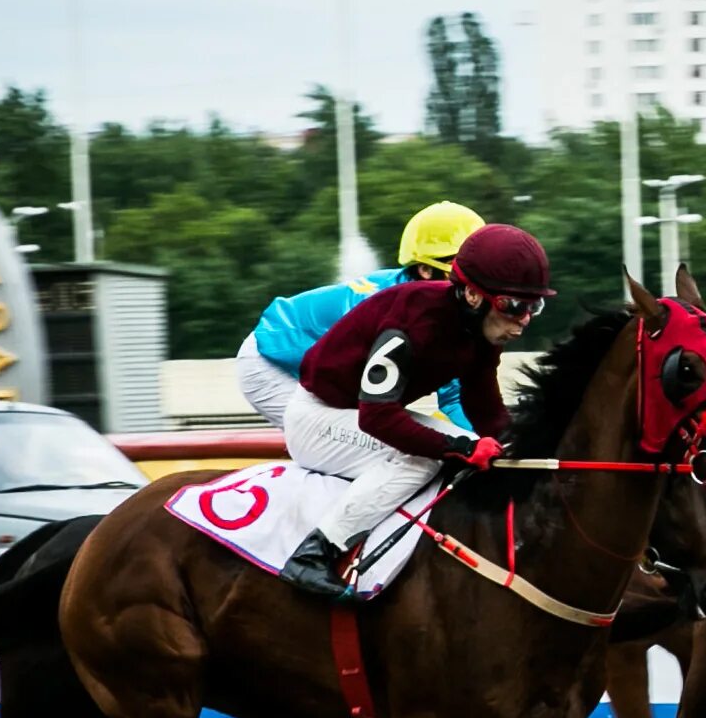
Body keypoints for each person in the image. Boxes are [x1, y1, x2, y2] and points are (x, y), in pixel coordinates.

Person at [278, 224, 552, 598]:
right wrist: (462, 448)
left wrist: (529, 456)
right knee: (430, 458)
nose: (523, 320)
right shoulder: (413, 322)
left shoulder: (483, 332)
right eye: (513, 305)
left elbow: (485, 409)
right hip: (318, 419)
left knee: (471, 444)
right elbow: (375, 417)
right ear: (473, 295)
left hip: (356, 414)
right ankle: (316, 554)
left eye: (534, 305)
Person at [235, 201, 485, 430]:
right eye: (462, 271)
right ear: (425, 269)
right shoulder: (397, 311)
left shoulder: (446, 313)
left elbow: (454, 397)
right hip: (268, 361)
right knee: (371, 443)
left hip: (309, 363)